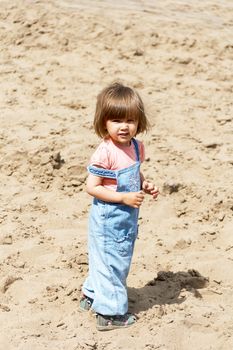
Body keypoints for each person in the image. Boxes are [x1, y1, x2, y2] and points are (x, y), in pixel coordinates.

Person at [80, 82, 159, 331]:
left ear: (139, 121)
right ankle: (109, 314)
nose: (124, 126)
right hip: (108, 216)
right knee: (112, 261)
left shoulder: (135, 146)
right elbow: (92, 187)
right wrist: (123, 198)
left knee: (108, 258)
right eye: (116, 120)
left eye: (130, 120)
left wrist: (145, 184)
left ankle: (91, 294)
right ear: (104, 122)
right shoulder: (105, 152)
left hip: (127, 217)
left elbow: (134, 172)